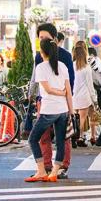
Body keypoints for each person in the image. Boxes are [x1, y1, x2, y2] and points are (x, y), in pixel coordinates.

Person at [25, 38, 72, 182]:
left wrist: (59, 92)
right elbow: (68, 90)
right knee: (60, 141)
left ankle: (41, 170)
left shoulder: (41, 67)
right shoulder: (62, 66)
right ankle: (54, 172)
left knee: (33, 139)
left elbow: (48, 90)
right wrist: (71, 110)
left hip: (49, 110)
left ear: (42, 51)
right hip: (63, 109)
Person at [33, 23, 75, 177]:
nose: (42, 40)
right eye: (40, 38)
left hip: (61, 102)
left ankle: (63, 166)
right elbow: (37, 80)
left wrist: (70, 105)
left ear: (54, 39)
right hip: (43, 101)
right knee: (43, 136)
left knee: (63, 135)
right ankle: (46, 166)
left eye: (45, 37)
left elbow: (70, 82)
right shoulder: (39, 56)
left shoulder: (65, 56)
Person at [72, 42, 97, 147]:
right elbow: (90, 85)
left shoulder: (72, 65)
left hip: (74, 95)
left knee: (75, 118)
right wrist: (94, 99)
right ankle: (81, 137)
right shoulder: (86, 68)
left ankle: (74, 135)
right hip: (85, 95)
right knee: (83, 118)